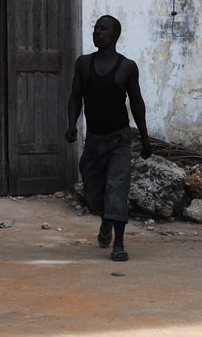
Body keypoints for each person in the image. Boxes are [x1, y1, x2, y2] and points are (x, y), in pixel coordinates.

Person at [65, 15, 152, 261]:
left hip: (119, 141)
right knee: (93, 193)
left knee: (117, 189)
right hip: (93, 141)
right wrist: (71, 124)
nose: (97, 32)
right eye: (95, 28)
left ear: (115, 36)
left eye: (103, 29)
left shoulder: (127, 67)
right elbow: (75, 97)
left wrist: (145, 138)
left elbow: (137, 104)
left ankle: (119, 244)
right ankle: (105, 220)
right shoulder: (83, 64)